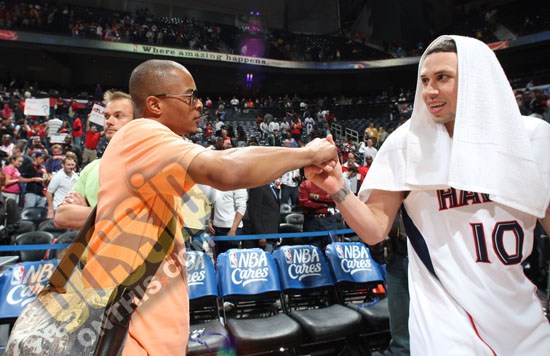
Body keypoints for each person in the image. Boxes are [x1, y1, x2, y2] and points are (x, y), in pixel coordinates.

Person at [305, 36, 550, 355]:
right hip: (443, 327)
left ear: (477, 79)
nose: (430, 90)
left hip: (522, 323)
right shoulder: (404, 143)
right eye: (425, 80)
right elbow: (374, 229)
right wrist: (338, 189)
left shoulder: (533, 139)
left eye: (443, 78)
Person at [80, 59, 336, 356]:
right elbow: (226, 170)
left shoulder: (150, 151)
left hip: (147, 331)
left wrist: (302, 166)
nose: (200, 105)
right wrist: (307, 154)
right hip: (134, 337)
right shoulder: (142, 133)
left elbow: (238, 169)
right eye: (191, 96)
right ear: (154, 105)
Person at [54, 90, 135, 229]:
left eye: (118, 116)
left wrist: (86, 211)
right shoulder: (92, 167)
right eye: (107, 116)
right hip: (92, 250)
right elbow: (61, 217)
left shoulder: (149, 163)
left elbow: (136, 218)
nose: (109, 121)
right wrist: (107, 215)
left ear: (137, 120)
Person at [208, 188, 248, 257]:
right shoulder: (217, 183)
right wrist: (211, 220)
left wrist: (233, 229)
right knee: (218, 260)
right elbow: (214, 204)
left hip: (231, 229)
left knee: (232, 261)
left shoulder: (239, 184)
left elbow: (242, 207)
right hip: (216, 228)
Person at [242, 183, 280, 252]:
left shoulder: (272, 187)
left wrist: (277, 233)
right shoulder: (258, 187)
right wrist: (261, 235)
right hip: (264, 236)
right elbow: (255, 212)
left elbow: (275, 212)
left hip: (272, 235)